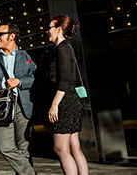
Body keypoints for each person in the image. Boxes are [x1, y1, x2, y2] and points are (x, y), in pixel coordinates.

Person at [0, 24, 37, 175]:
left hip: (23, 105)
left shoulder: (27, 56)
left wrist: (20, 81)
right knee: (5, 147)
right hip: (1, 107)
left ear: (12, 36)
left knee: (24, 149)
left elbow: (36, 78)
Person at [47, 15, 88, 175]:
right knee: (74, 147)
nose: (47, 31)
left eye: (49, 27)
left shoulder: (62, 48)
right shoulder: (67, 47)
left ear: (58, 29)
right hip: (72, 101)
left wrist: (54, 104)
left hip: (65, 103)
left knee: (60, 149)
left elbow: (64, 80)